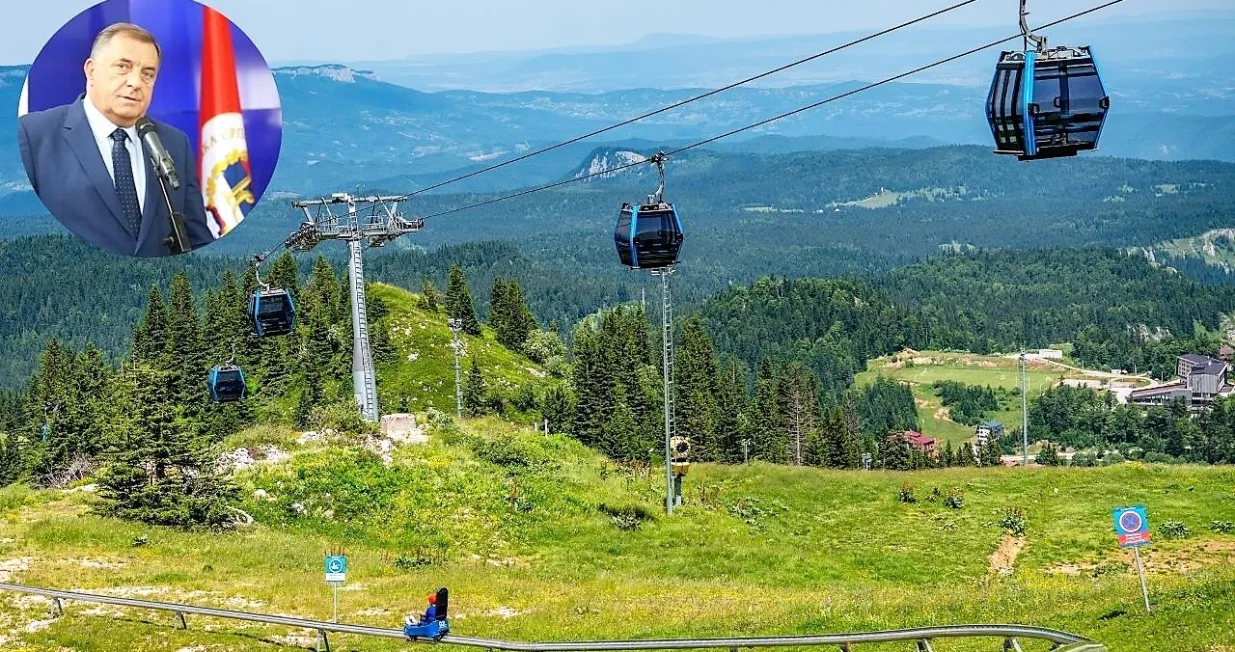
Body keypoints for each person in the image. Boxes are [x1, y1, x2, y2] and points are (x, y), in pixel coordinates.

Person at [17, 22, 215, 258]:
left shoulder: (174, 143)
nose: (136, 82)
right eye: (123, 67)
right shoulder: (34, 135)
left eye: (148, 74)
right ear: (91, 71)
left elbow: (197, 239)